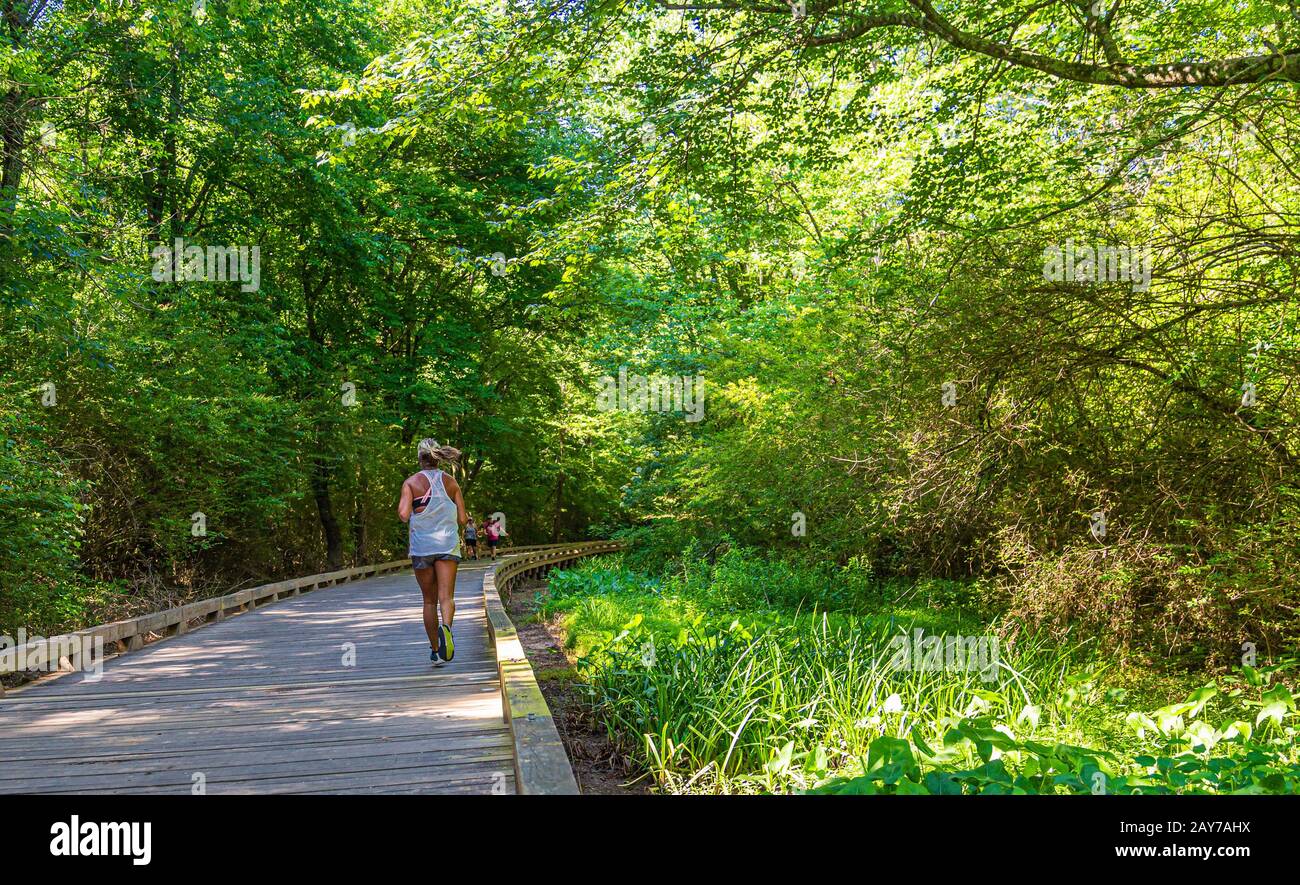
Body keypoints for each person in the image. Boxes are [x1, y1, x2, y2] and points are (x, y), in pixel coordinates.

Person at [397, 439, 467, 666]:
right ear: (437, 458)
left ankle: (436, 650)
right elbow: (463, 519)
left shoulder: (411, 482)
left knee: (429, 601)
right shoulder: (451, 482)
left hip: (422, 547)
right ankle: (446, 628)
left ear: (419, 458)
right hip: (447, 544)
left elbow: (404, 515)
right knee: (447, 597)